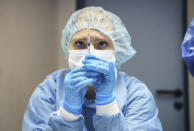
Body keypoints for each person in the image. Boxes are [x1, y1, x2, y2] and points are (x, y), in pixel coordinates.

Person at [22, 6, 162, 131]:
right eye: (79, 43)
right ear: (67, 47)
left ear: (117, 49)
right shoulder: (49, 89)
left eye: (102, 43)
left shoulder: (136, 94)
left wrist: (108, 106)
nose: (90, 53)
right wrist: (67, 113)